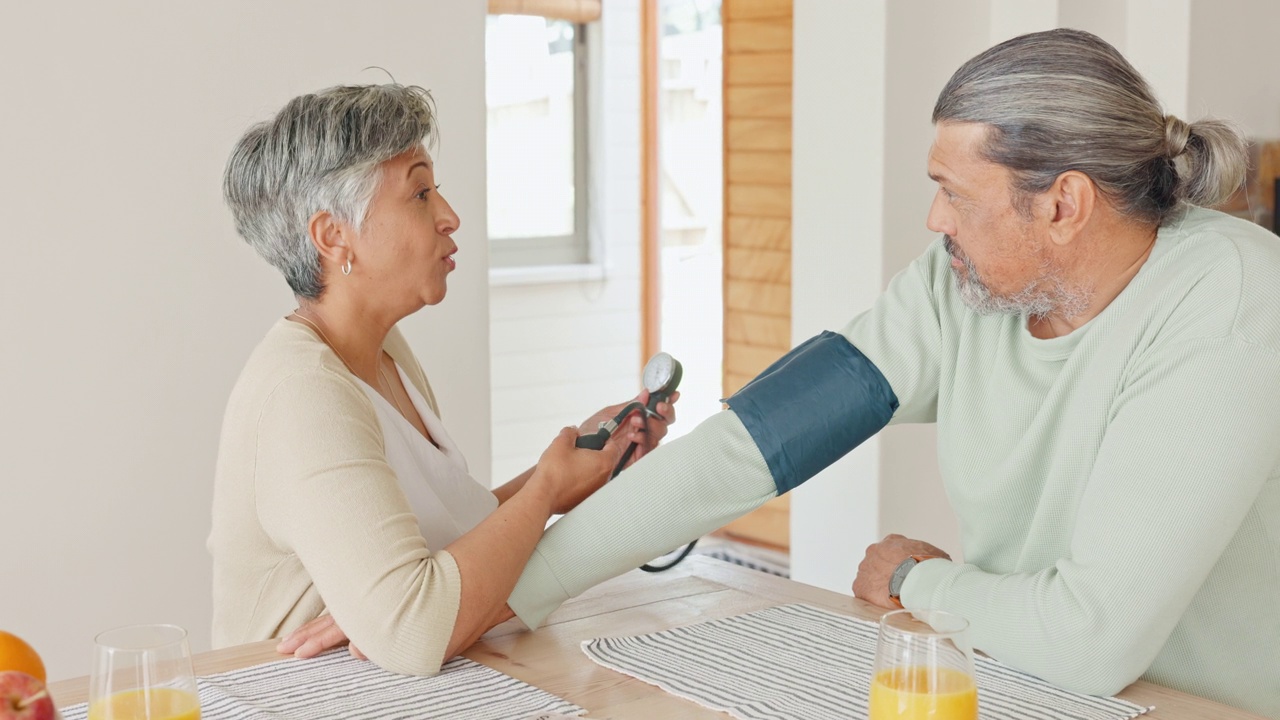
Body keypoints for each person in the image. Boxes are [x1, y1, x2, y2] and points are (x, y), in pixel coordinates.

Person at [491, 29, 1279, 717]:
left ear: (1063, 205)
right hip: (1024, 691)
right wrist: (510, 586)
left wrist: (916, 579)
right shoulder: (957, 287)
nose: (935, 220)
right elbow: (753, 444)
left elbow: (1088, 639)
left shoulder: (1229, 296)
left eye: (953, 194)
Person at [207, 83, 676, 676]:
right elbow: (415, 631)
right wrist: (544, 493)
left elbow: (457, 537)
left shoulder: (385, 354)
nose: (449, 216)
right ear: (333, 236)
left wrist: (569, 473)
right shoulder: (302, 393)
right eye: (420, 193)